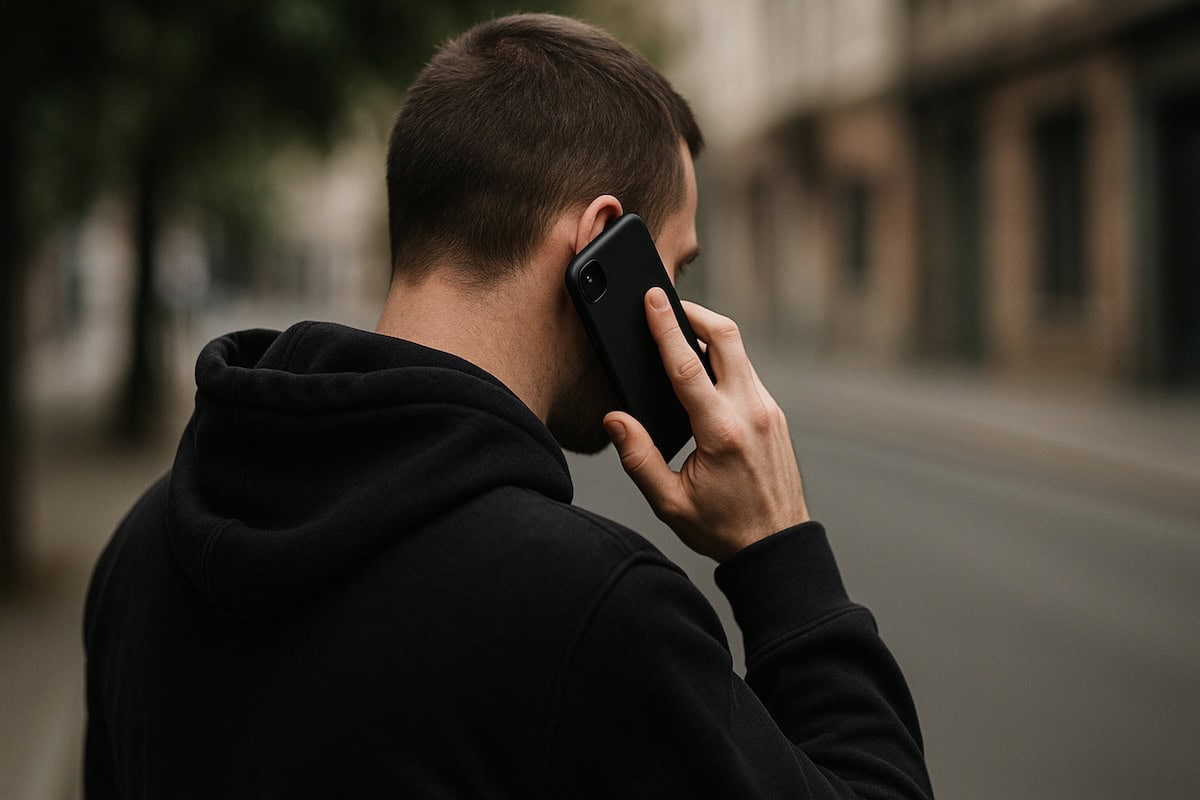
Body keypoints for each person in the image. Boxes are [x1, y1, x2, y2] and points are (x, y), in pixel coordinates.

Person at [83, 13, 934, 799]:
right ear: (601, 239)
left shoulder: (144, 545)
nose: (681, 311)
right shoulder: (592, 611)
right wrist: (779, 550)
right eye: (673, 270)